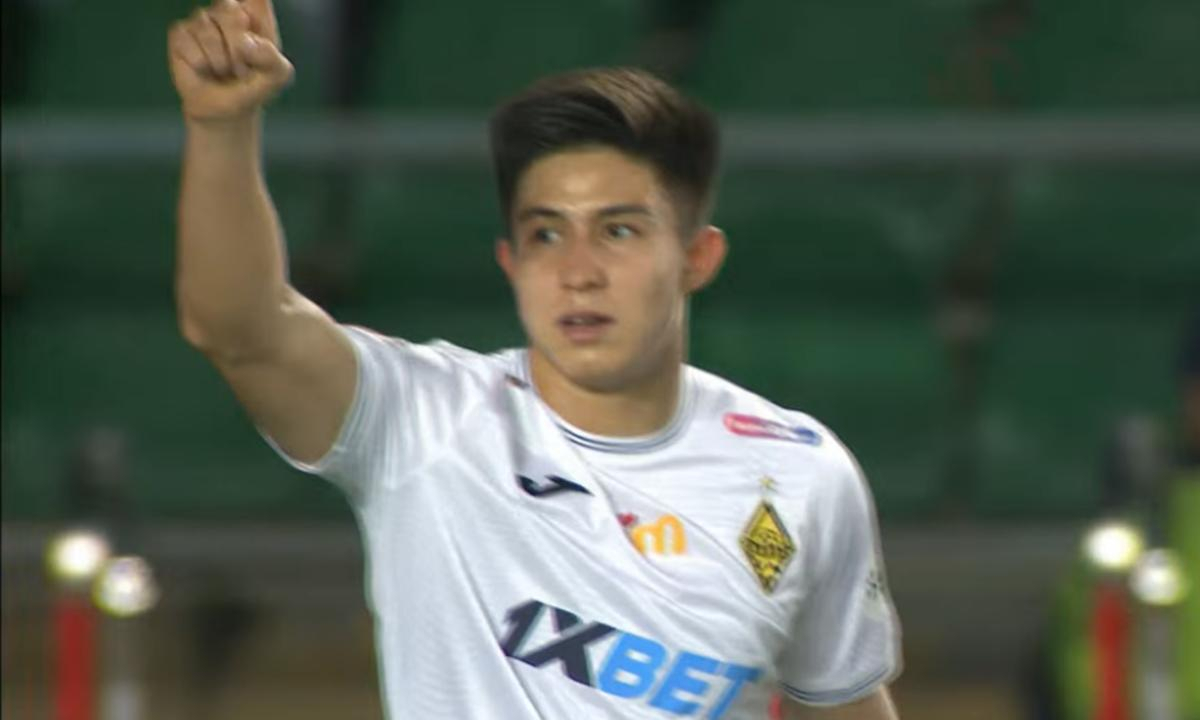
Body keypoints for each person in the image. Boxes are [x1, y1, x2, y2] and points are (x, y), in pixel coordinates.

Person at [167, 1, 903, 717]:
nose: (578, 271)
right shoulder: (425, 423)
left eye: (618, 232)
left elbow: (846, 706)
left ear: (697, 257)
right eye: (547, 235)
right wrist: (222, 128)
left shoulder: (801, 472)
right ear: (511, 263)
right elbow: (239, 329)